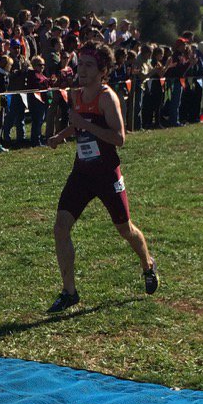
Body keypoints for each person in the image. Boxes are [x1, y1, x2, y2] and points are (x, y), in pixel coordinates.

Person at [46, 43, 158, 313]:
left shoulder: (108, 98)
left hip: (107, 174)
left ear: (103, 71)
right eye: (81, 64)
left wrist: (84, 125)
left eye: (89, 65)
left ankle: (147, 264)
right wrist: (61, 135)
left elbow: (119, 138)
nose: (82, 70)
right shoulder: (77, 94)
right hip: (82, 173)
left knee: (125, 229)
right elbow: (78, 123)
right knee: (61, 227)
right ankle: (69, 292)